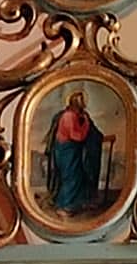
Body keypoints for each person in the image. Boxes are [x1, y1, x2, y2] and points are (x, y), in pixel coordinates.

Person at [45, 85, 110, 219]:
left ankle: (78, 203)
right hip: (66, 151)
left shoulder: (77, 115)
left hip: (73, 151)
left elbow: (91, 133)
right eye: (81, 103)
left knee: (79, 176)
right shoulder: (68, 116)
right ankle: (62, 205)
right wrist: (85, 123)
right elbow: (77, 136)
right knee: (71, 178)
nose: (83, 106)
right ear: (75, 103)